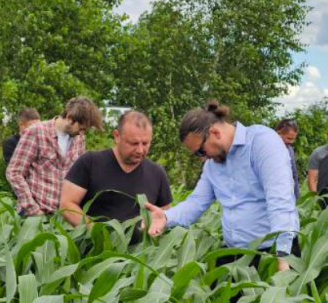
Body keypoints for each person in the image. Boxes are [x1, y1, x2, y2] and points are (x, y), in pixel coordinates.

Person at [145, 101, 300, 271]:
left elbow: (280, 200)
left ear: (214, 133)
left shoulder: (262, 143)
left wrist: (283, 255)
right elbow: (195, 203)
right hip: (234, 254)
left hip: (270, 253)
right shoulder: (212, 165)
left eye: (200, 151)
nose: (202, 158)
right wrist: (166, 217)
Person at [60, 110, 172, 230]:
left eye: (145, 143)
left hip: (140, 248)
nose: (140, 150)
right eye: (133, 143)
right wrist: (97, 232)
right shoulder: (90, 162)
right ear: (117, 136)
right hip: (94, 247)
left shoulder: (157, 173)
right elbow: (67, 204)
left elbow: (164, 214)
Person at [6, 97, 102, 216]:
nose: (82, 133)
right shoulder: (36, 132)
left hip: (63, 217)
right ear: (69, 118)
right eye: (81, 128)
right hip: (35, 217)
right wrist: (34, 210)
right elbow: (14, 172)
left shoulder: (79, 139)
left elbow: (79, 177)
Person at [273, 118, 300, 200]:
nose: (291, 142)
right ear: (278, 133)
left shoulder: (290, 150)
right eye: (289, 138)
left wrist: (296, 197)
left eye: (293, 139)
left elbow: (294, 175)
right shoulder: (266, 149)